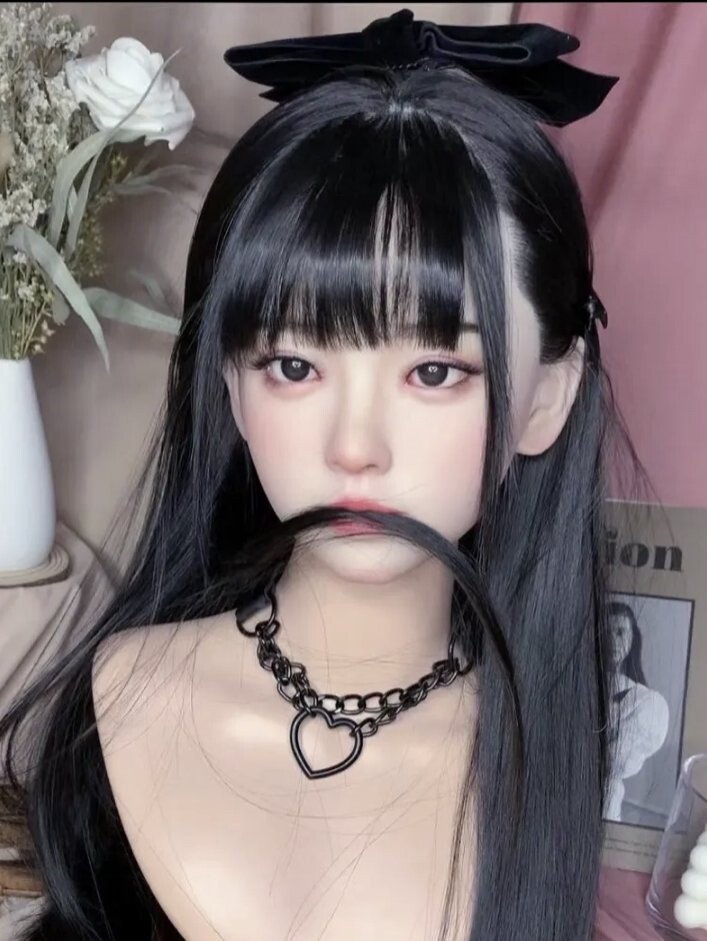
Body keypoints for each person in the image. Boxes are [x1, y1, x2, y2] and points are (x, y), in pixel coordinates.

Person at [0, 9, 652, 941]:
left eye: (436, 372)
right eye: (294, 366)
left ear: (547, 397)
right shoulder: (128, 694)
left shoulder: (535, 758)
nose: (355, 445)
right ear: (230, 383)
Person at [604, 601, 670, 823]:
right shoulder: (575, 690)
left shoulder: (645, 701)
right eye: (606, 632)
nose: (613, 640)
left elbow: (616, 762)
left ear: (633, 638)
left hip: (605, 804)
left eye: (620, 632)